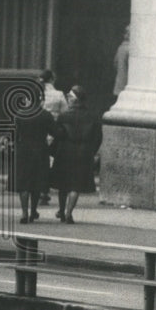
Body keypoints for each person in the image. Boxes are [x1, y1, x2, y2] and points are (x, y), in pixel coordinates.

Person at [50, 84, 102, 224]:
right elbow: (98, 137)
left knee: (63, 184)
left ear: (75, 100)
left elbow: (58, 135)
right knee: (75, 184)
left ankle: (61, 211)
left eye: (69, 96)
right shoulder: (92, 116)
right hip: (83, 152)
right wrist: (91, 151)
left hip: (65, 151)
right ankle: (69, 213)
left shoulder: (64, 116)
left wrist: (53, 151)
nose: (67, 98)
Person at [13, 79, 56, 224]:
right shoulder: (45, 115)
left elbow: (13, 134)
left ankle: (24, 212)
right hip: (40, 150)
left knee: (24, 183)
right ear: (40, 99)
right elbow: (55, 132)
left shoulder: (19, 114)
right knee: (36, 183)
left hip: (23, 150)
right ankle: (33, 211)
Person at [38, 69, 68, 203]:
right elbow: (65, 112)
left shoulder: (36, 93)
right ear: (52, 79)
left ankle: (37, 189)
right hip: (52, 129)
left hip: (38, 129)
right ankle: (45, 191)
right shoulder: (59, 94)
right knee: (48, 161)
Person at [112, 24, 130, 104]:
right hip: (127, 87)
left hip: (119, 85)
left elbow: (115, 63)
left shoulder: (120, 48)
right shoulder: (130, 50)